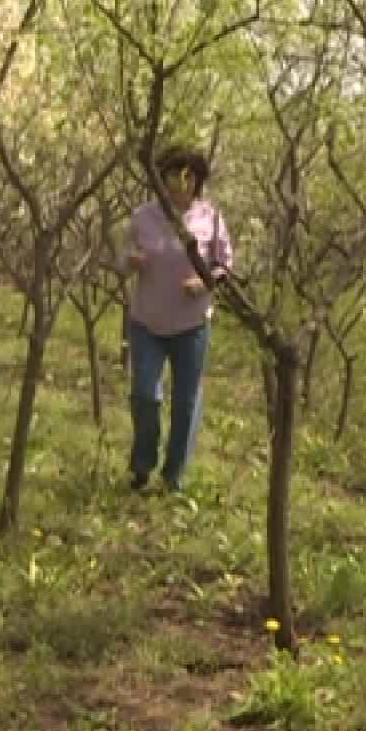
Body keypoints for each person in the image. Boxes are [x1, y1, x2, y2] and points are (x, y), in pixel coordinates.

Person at [117, 145, 233, 494]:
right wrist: (131, 261)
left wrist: (205, 281)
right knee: (145, 395)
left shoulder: (209, 217)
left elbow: (224, 264)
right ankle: (141, 466)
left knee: (185, 402)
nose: (181, 185)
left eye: (189, 177)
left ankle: (173, 477)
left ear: (197, 182)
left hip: (192, 325)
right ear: (161, 179)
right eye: (173, 176)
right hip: (147, 322)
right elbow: (122, 256)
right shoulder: (143, 217)